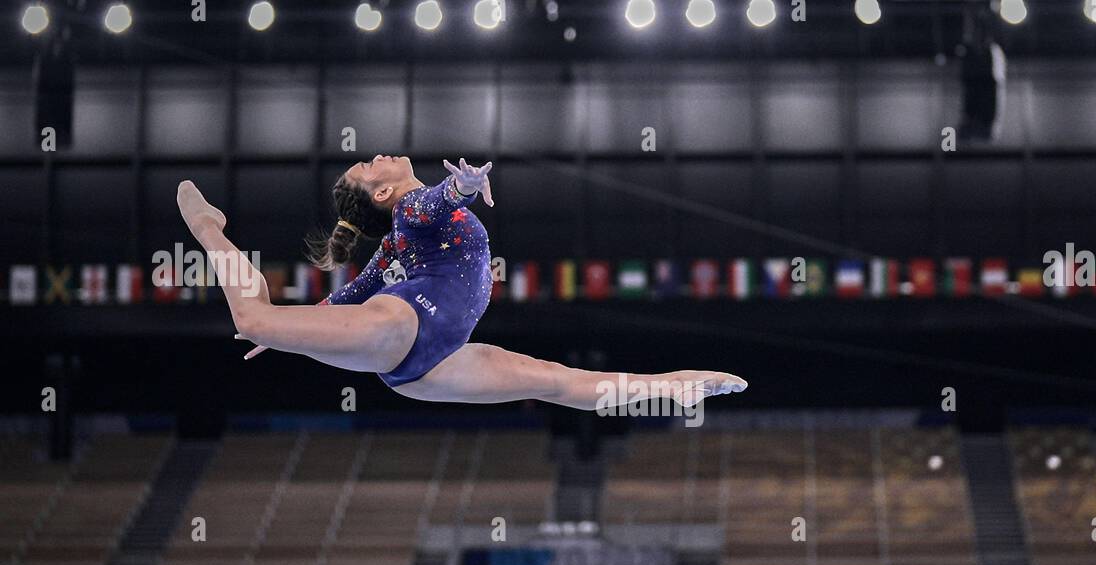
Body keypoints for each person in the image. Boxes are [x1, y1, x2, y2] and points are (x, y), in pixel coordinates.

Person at [176, 155, 746, 409]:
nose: (374, 156)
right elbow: (430, 205)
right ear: (382, 194)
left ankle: (674, 385)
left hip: (427, 364)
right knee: (255, 318)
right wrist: (462, 189)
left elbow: (353, 290)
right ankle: (208, 228)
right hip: (406, 327)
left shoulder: (401, 238)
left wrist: (314, 319)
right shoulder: (412, 211)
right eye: (367, 167)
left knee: (557, 382)